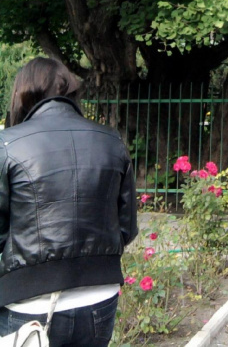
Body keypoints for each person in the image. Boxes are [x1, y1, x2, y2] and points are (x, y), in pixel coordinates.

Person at [0, 57, 138, 347]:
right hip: (99, 297)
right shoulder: (111, 140)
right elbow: (126, 227)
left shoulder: (7, 145)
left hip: (29, 302)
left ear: (22, 93)